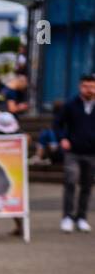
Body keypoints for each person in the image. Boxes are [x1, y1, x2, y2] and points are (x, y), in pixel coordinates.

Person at [55, 72, 95, 233]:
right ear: (80, 87)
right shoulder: (70, 105)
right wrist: (62, 138)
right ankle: (67, 216)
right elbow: (57, 124)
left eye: (92, 86)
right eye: (86, 86)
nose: (89, 90)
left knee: (87, 185)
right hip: (73, 151)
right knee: (70, 181)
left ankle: (82, 217)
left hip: (92, 152)